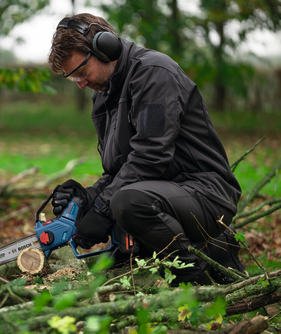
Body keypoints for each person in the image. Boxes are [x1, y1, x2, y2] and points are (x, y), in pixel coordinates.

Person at [47, 13, 246, 286]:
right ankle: (200, 251)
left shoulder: (154, 74)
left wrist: (103, 211)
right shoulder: (104, 94)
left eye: (81, 72)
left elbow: (151, 155)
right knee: (120, 201)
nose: (80, 83)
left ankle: (192, 279)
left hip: (206, 194)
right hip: (162, 192)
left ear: (105, 48)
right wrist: (88, 199)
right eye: (72, 78)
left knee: (127, 202)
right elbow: (121, 170)